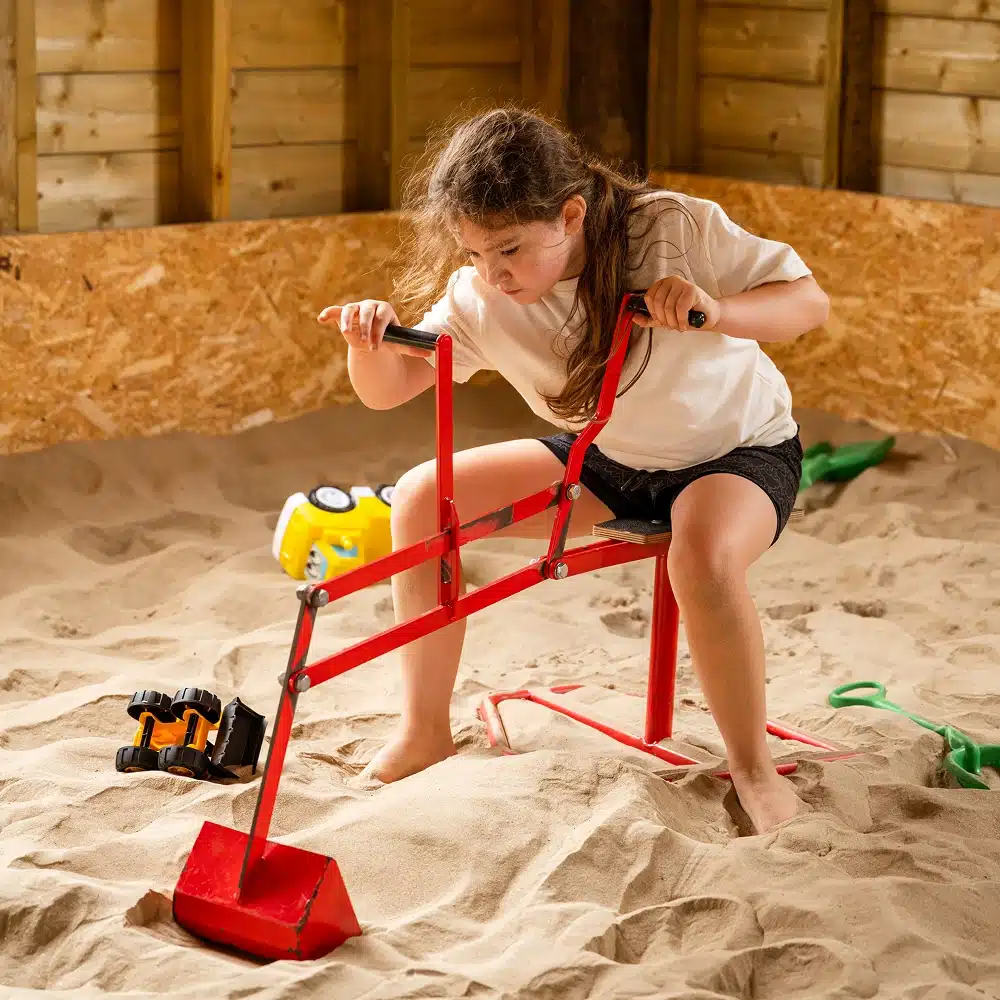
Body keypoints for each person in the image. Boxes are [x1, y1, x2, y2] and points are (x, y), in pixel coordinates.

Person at [318, 107, 829, 834]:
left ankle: (750, 765)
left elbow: (809, 303)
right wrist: (366, 342)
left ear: (571, 214)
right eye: (474, 256)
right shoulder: (483, 297)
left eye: (510, 251)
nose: (492, 276)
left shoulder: (673, 228)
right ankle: (425, 728)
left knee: (703, 556)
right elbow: (389, 389)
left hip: (735, 454)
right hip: (604, 459)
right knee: (423, 498)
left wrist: (716, 310)